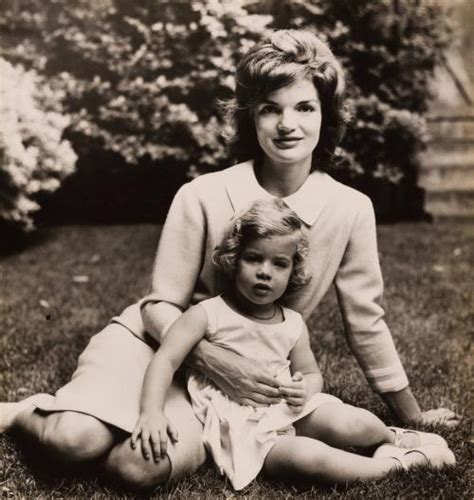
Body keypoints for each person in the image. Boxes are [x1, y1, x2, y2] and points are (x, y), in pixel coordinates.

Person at [0, 29, 459, 489]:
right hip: (155, 346)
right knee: (72, 441)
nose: (287, 124)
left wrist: (413, 416)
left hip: (237, 389)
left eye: (304, 107)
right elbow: (159, 306)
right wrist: (215, 359)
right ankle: (24, 413)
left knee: (134, 469)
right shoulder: (201, 194)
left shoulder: (351, 208)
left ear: (326, 115)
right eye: (269, 109)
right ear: (250, 118)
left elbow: (366, 320)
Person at [131, 198, 455, 491]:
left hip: (288, 407)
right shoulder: (206, 315)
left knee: (352, 421)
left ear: (292, 270)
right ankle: (394, 465)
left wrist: (306, 389)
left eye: (278, 264)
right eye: (253, 259)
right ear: (233, 260)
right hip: (244, 425)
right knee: (310, 459)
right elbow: (165, 360)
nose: (264, 273)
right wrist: (151, 413)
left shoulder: (291, 323)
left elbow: (311, 373)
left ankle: (392, 438)